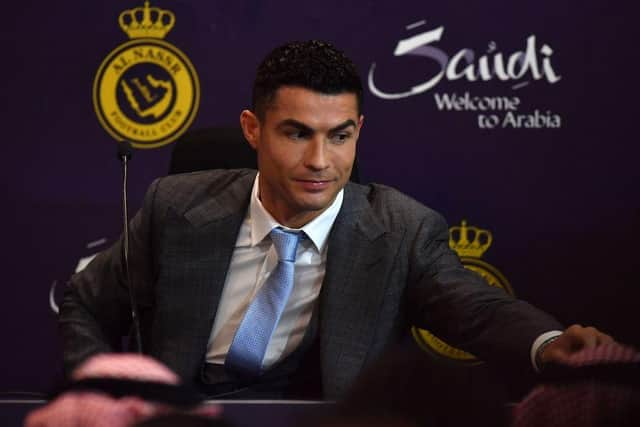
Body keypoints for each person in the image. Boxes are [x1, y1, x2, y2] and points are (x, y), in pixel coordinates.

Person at [60, 40, 613, 400]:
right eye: (297, 133)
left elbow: (477, 309)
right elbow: (86, 301)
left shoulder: (402, 229)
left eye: (340, 135)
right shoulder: (175, 206)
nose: (321, 161)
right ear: (253, 130)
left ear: (358, 131)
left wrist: (548, 342)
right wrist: (99, 396)